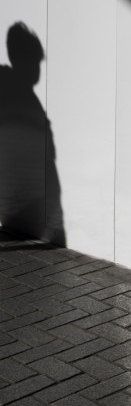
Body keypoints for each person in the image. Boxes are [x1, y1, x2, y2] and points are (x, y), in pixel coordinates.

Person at [0, 22, 65, 244]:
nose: (38, 68)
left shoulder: (30, 100)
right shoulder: (9, 87)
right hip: (23, 206)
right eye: (34, 61)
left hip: (29, 206)